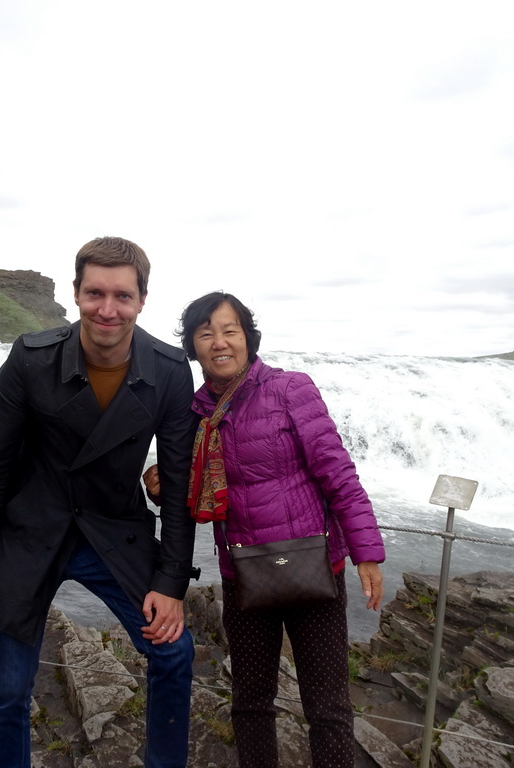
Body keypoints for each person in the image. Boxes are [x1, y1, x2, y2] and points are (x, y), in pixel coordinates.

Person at [0, 237, 200, 768]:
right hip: (32, 532)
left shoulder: (168, 370)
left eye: (122, 295)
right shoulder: (31, 359)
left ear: (142, 300)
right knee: (8, 688)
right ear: (75, 293)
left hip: (114, 530)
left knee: (172, 650)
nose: (107, 309)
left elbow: (181, 487)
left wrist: (171, 583)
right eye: (95, 293)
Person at [145, 291, 385, 768]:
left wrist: (366, 550)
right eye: (206, 332)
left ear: (248, 338)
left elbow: (337, 473)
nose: (220, 341)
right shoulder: (194, 415)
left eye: (230, 330)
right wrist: (161, 486)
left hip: (314, 571)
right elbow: (197, 493)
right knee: (251, 703)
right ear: (193, 345)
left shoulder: (290, 389)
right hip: (245, 576)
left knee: (329, 708)